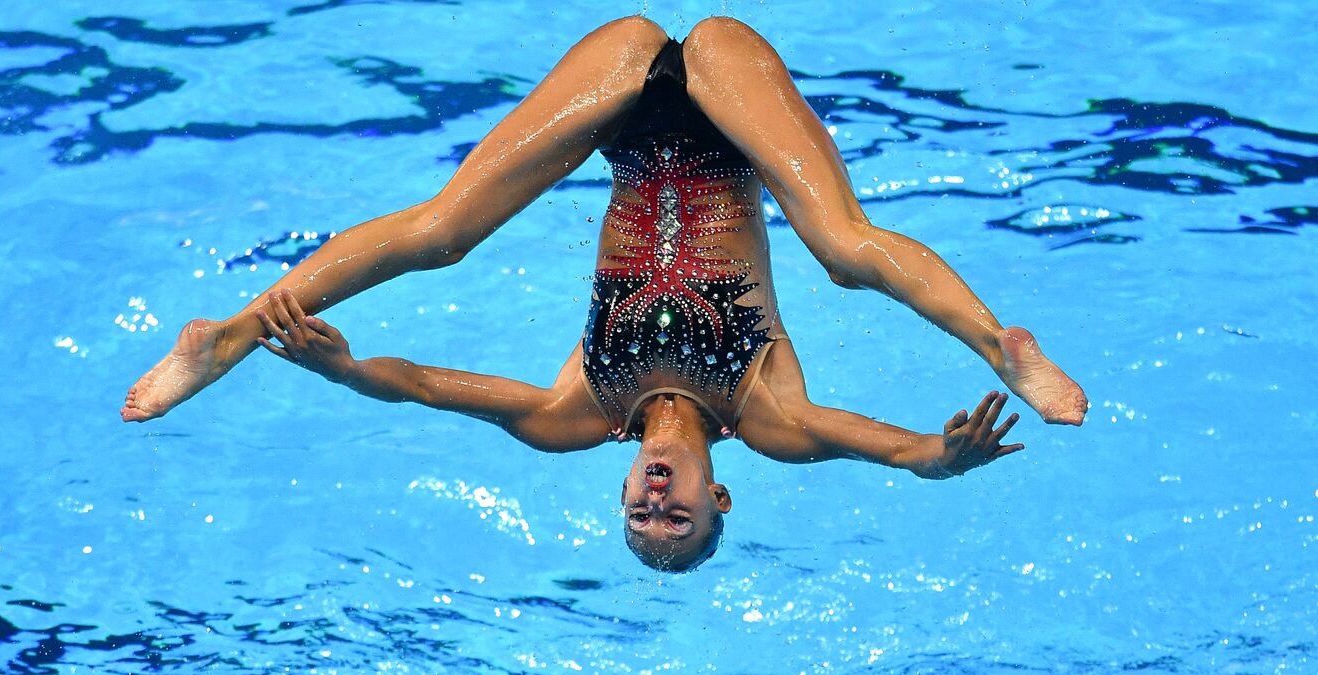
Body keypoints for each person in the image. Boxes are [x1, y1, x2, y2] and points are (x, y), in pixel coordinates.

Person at [122, 16, 1087, 571]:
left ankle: (231, 338)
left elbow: (424, 385)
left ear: (624, 491)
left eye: (641, 514)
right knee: (839, 245)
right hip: (728, 98)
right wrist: (943, 459)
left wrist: (343, 370)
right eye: (681, 515)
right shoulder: (770, 418)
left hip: (619, 94)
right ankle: (1002, 345)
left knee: (446, 231)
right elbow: (902, 452)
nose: (657, 500)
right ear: (723, 496)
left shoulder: (575, 412)